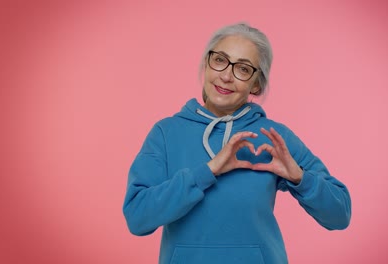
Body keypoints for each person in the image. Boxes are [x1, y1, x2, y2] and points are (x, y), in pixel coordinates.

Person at [123, 22, 351, 264]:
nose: (226, 76)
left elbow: (340, 215)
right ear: (206, 64)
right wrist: (207, 171)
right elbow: (138, 218)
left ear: (256, 84)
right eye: (220, 60)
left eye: (242, 69)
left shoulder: (274, 136)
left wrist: (299, 177)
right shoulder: (166, 133)